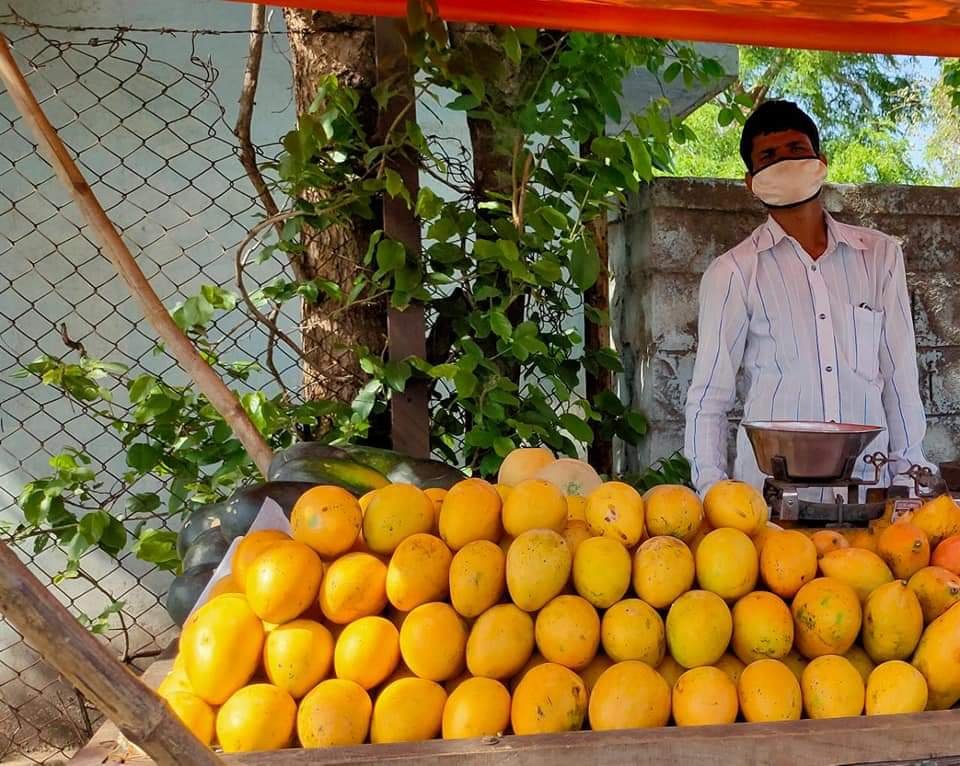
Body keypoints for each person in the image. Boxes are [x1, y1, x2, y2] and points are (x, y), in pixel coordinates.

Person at [683, 99, 933, 497]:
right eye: (769, 156)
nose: (784, 162)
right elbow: (709, 397)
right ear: (751, 181)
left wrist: (909, 477)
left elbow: (900, 379)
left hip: (869, 494)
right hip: (770, 507)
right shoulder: (733, 272)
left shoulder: (880, 256)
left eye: (796, 150)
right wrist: (713, 494)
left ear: (821, 160)